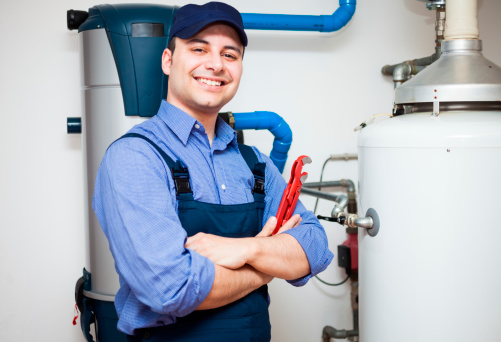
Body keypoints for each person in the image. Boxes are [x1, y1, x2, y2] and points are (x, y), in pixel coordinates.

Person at [93, 2, 333, 341]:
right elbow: (172, 288)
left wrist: (247, 249)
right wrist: (265, 267)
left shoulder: (256, 164)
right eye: (198, 48)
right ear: (168, 60)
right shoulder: (135, 157)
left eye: (230, 55)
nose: (216, 64)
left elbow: (315, 247)